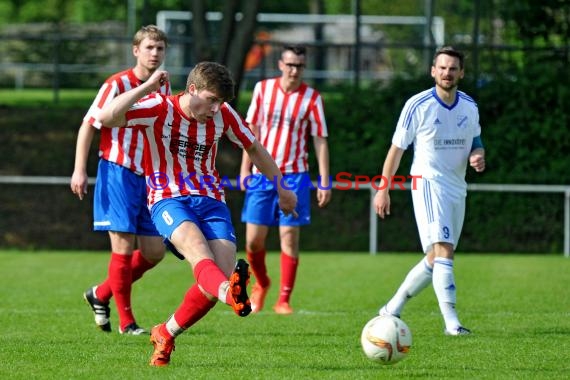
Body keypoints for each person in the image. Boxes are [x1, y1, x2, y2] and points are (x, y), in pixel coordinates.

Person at [96, 61, 298, 366]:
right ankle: (231, 296)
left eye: (221, 102)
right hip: (168, 198)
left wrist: (282, 187)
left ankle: (166, 332)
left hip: (211, 200)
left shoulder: (224, 116)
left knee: (217, 276)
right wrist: (147, 87)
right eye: (212, 100)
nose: (216, 109)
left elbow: (254, 148)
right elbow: (106, 117)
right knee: (200, 254)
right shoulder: (159, 108)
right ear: (192, 90)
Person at [373, 46, 486, 336]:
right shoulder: (417, 105)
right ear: (432, 71)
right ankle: (452, 324)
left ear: (461, 73)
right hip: (427, 183)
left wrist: (478, 155)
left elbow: (476, 140)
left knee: (436, 258)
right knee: (444, 250)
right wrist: (383, 189)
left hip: (457, 187)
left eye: (453, 68)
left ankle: (392, 307)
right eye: (442, 68)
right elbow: (396, 150)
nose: (447, 73)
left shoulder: (469, 105)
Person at [70, 25, 170, 335]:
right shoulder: (116, 84)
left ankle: (100, 294)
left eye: (160, 49)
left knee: (155, 252)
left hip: (148, 177)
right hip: (118, 171)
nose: (155, 53)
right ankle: (128, 323)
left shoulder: (163, 86)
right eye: (149, 48)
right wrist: (79, 169)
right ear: (136, 50)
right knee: (123, 248)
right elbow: (90, 125)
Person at [239, 44, 331, 315]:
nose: (294, 70)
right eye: (290, 64)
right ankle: (262, 282)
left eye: (299, 66)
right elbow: (250, 132)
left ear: (304, 67)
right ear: (280, 64)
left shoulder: (312, 98)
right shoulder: (262, 90)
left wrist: (324, 180)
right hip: (261, 175)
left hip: (295, 176)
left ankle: (283, 299)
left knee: (289, 238)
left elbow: (320, 140)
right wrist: (245, 168)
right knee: (254, 241)